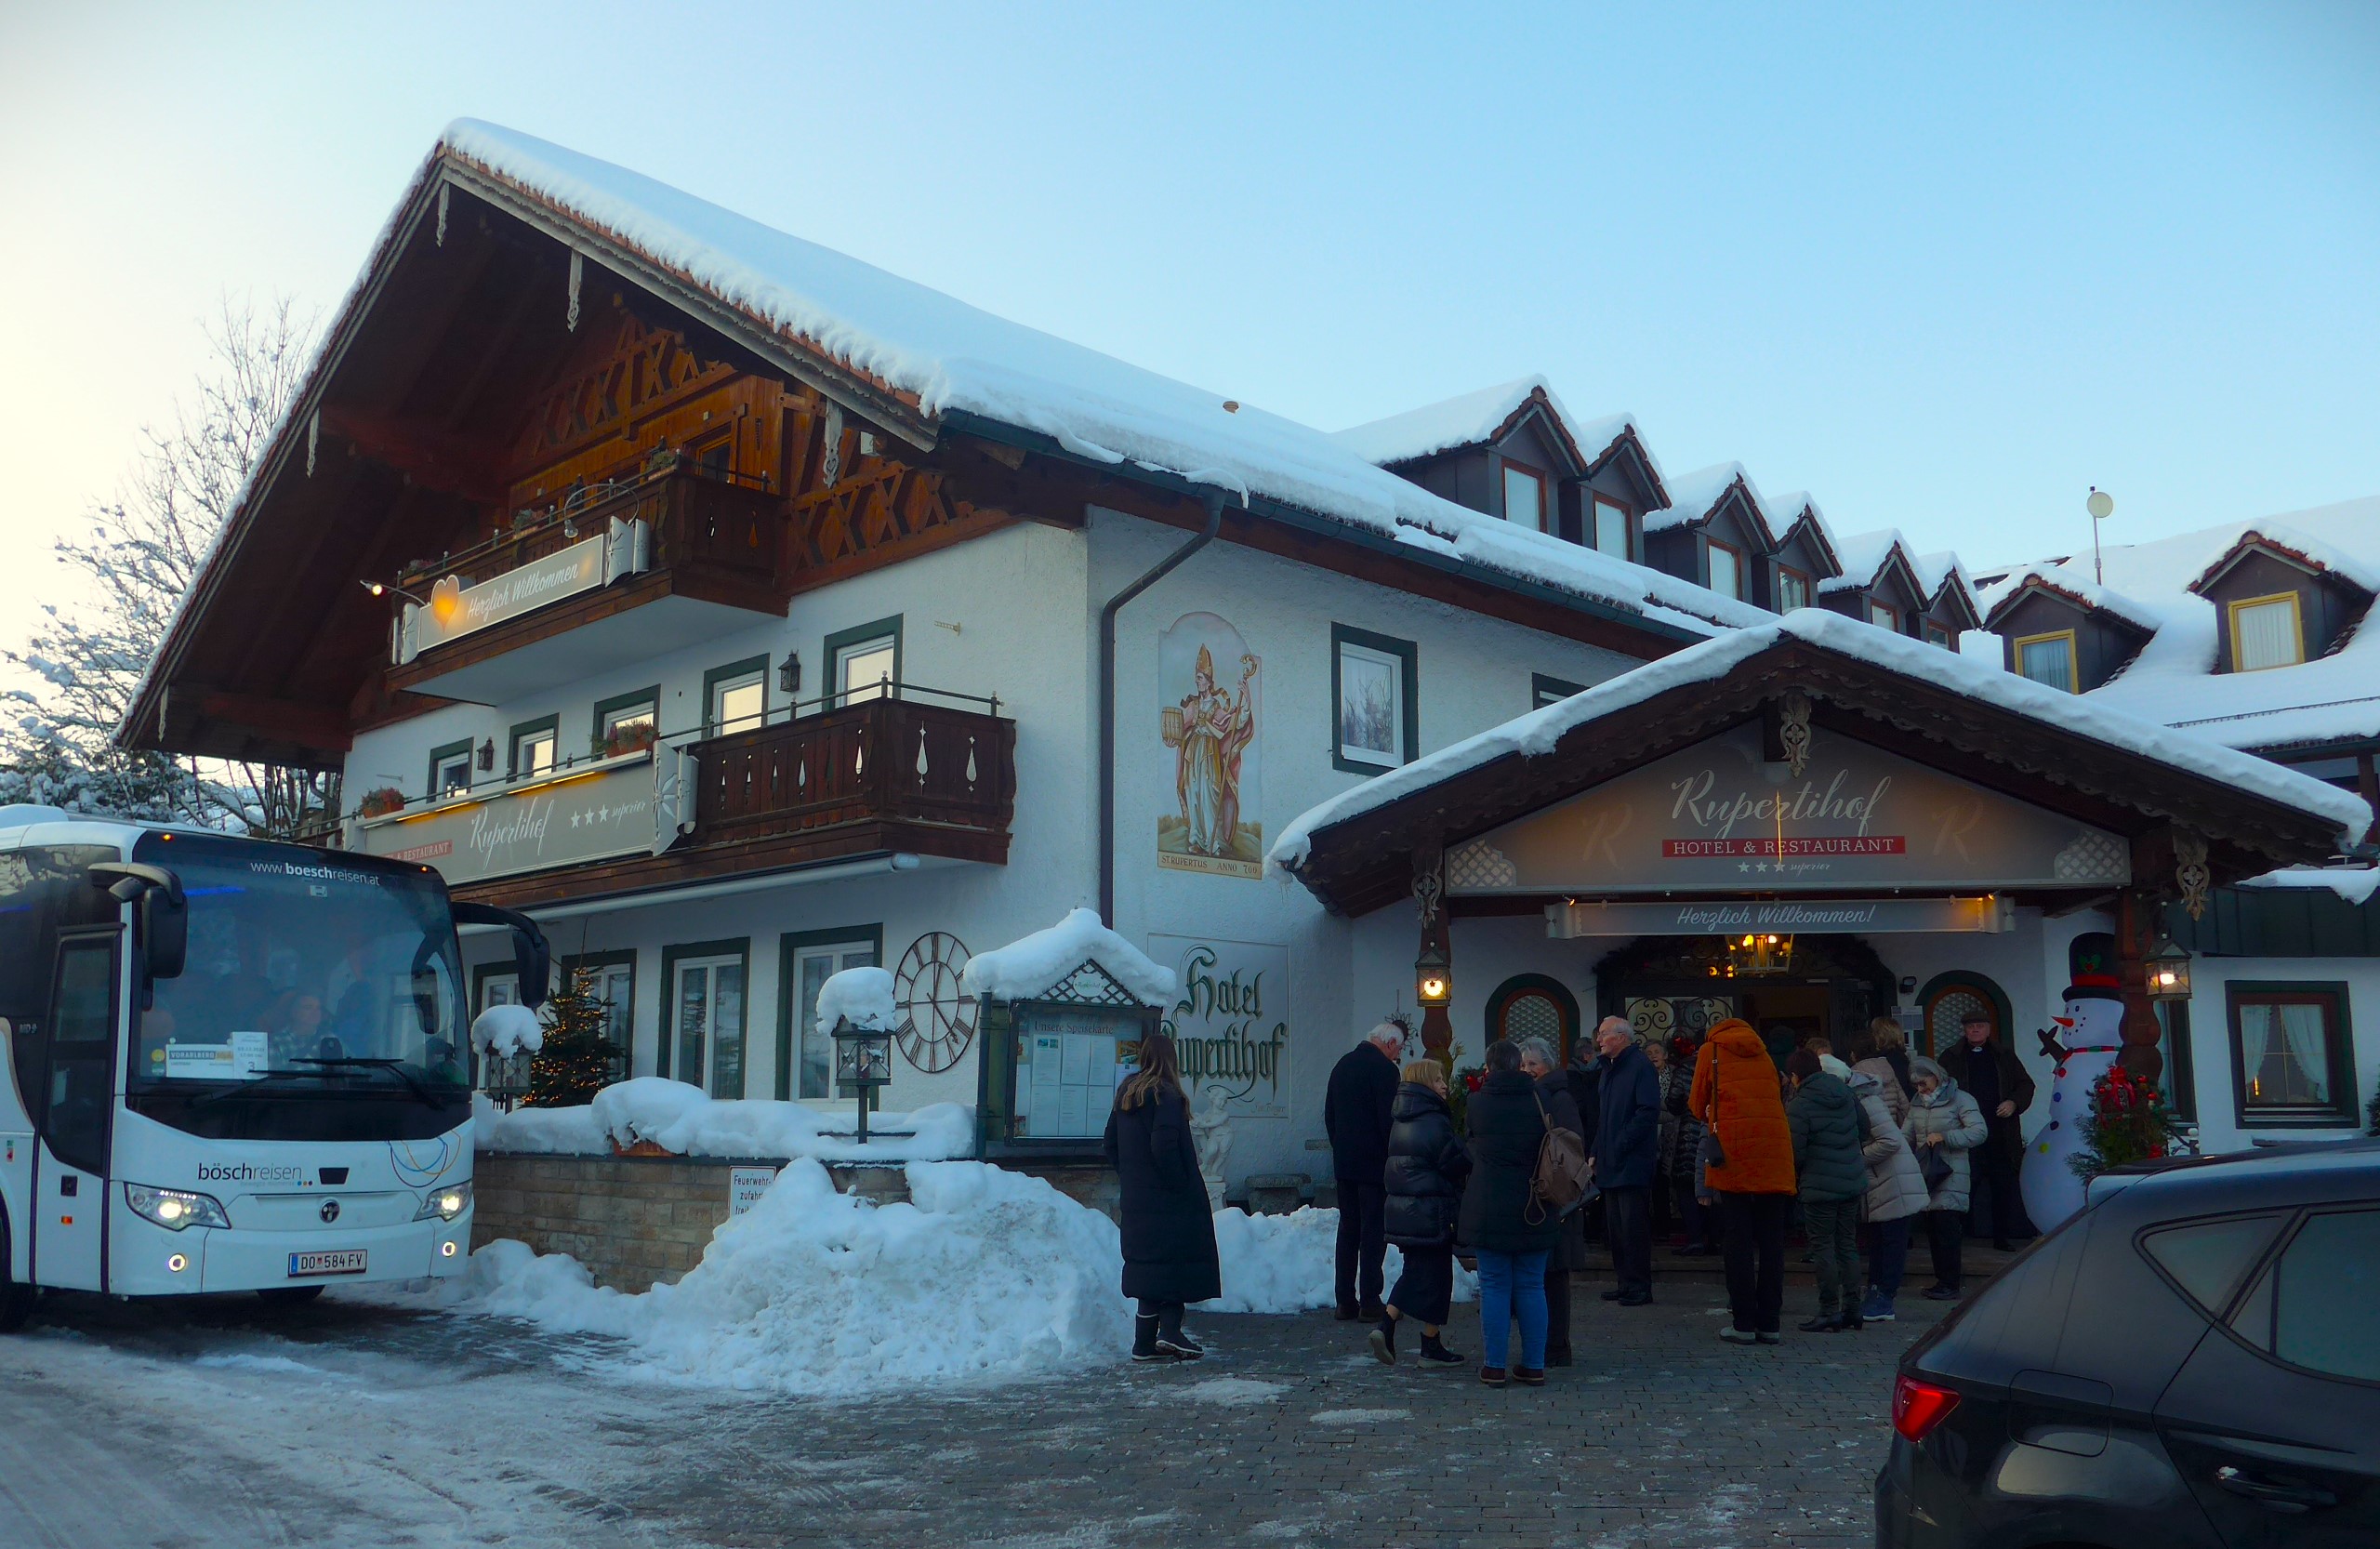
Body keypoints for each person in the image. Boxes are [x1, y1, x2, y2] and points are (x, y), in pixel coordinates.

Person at [1103, 1032, 1220, 1361]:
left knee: (1150, 1270)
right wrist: (1179, 1184)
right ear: (1171, 1060)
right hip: (1168, 1200)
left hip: (1137, 1199)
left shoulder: (1126, 1094)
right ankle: (1170, 1332)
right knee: (1176, 1263)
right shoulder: (1166, 1096)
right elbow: (1164, 1146)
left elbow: (1109, 1143)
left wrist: (1131, 1176)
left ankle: (1143, 1345)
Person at [1459, 1039, 1563, 1386]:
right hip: (1536, 1202)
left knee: (1494, 1285)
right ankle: (1534, 1364)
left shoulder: (1477, 1102)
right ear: (1519, 1065)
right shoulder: (1540, 1097)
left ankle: (1494, 1366)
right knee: (1532, 1284)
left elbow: (1472, 1144)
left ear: (1489, 1068)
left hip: (1489, 1204)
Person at [1689, 1018, 1796, 1344]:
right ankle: (1771, 1323)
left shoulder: (1711, 1050)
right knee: (1772, 1243)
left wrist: (1714, 1114)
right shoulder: (1763, 1053)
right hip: (1773, 1152)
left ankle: (1744, 1323)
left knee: (1737, 1240)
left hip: (1734, 1153)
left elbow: (1696, 1103)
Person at [1374, 1059, 1471, 1368]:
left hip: (1408, 1212)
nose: (1445, 1085)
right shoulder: (1432, 1119)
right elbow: (1453, 1161)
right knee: (1431, 1276)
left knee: (1422, 1273)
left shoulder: (1403, 1117)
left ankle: (1425, 1340)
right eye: (1438, 1079)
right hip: (1430, 1212)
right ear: (1426, 1083)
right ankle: (1392, 1327)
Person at [1831, 1053, 1926, 1324]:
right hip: (1883, 1182)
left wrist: (1856, 1158)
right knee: (1880, 1243)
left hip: (1894, 1181)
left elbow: (1890, 1142)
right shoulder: (1859, 1098)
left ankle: (1884, 1299)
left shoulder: (1866, 1102)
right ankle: (1876, 1295)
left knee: (1891, 1243)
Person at [1785, 1046, 1870, 1332]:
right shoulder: (1845, 1092)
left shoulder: (1800, 1104)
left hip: (1819, 1185)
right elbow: (1865, 1128)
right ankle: (1853, 1309)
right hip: (1851, 1180)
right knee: (1847, 1244)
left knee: (1823, 1247)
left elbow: (1796, 1152)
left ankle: (1829, 1310)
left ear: (1795, 1075)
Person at [1937, 1010, 2035, 1250]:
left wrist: (2013, 1103)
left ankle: (2001, 1237)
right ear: (1964, 1030)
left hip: (2000, 1133)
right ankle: (1958, 1237)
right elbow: (1939, 1089)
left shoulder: (2004, 1055)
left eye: (1980, 1025)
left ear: (1989, 1029)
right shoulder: (1950, 1057)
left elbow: (2025, 1084)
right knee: (1964, 1186)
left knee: (2002, 1187)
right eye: (1970, 1026)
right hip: (1966, 1133)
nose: (1975, 1030)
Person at [1324, 1021, 1403, 1319]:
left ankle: (1344, 1300)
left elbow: (1330, 1115)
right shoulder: (1386, 1071)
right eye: (1398, 1049)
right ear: (1390, 1044)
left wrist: (1340, 1147)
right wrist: (1392, 1155)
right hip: (1374, 1165)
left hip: (1345, 1163)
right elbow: (1389, 1120)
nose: (1398, 1056)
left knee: (1348, 1230)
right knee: (1373, 1232)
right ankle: (1370, 1300)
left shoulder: (1342, 1065)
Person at [1514, 1037, 1585, 1361]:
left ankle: (1557, 1346)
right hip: (1543, 1196)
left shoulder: (1558, 1097)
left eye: (1533, 1064)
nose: (1527, 1069)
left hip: (1557, 1196)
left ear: (1548, 1065)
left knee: (1554, 1276)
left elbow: (1572, 1145)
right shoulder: (1537, 1095)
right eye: (1522, 1064)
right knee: (1543, 1274)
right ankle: (1548, 1345)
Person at [1904, 1055, 1989, 1300]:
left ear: (1936, 1077)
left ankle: (1950, 1283)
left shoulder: (1961, 1099)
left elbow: (1979, 1132)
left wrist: (1946, 1137)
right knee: (1933, 1230)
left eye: (1923, 1083)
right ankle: (1942, 1281)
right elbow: (1907, 1134)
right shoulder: (1917, 1104)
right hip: (1928, 1175)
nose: (1920, 1089)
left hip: (1952, 1173)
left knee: (1947, 1230)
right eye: (1916, 1085)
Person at [1590, 1021, 1661, 1306]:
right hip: (1611, 1160)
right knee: (1617, 1231)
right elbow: (1605, 1115)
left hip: (1631, 1161)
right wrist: (1597, 1149)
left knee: (1633, 1229)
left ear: (1621, 1037)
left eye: (1604, 1034)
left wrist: (1620, 1144)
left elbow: (1647, 1112)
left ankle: (1640, 1287)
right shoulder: (1609, 1069)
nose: (1599, 1039)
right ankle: (1625, 1283)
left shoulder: (1640, 1066)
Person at [1661, 1032, 1712, 1254]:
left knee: (1686, 1187)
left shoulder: (1684, 1069)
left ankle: (1695, 1238)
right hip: (1715, 1131)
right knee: (1712, 1186)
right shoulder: (1718, 1066)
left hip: (1689, 1134)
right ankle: (1714, 1238)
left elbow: (1673, 1103)